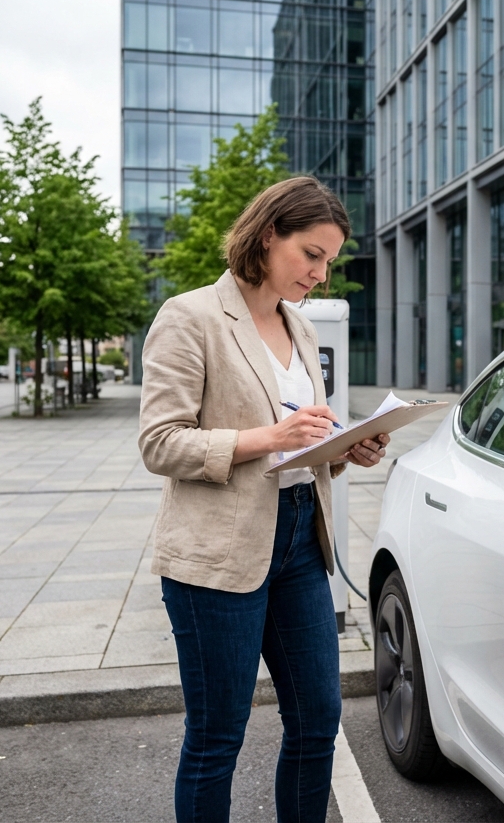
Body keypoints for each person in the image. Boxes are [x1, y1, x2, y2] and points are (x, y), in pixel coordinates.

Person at [139, 176, 390, 823]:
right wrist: (264, 438)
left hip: (303, 538)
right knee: (217, 736)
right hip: (219, 550)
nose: (321, 273)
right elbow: (160, 444)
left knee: (317, 722)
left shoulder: (300, 327)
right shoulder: (190, 316)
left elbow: (302, 434)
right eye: (312, 254)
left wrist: (345, 447)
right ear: (269, 233)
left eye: (330, 260)